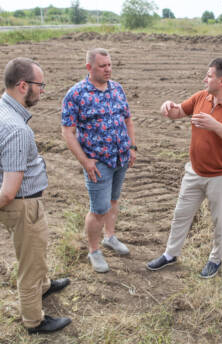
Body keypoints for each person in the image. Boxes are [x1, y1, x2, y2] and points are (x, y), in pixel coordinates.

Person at [146, 57, 222, 279]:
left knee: (219, 221)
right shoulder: (201, 97)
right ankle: (170, 255)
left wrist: (215, 126)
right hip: (194, 171)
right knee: (180, 215)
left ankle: (215, 259)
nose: (205, 79)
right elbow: (176, 113)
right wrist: (167, 106)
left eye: (209, 76)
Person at [0, 58, 71, 334]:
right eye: (40, 85)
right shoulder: (16, 129)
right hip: (23, 205)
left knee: (37, 251)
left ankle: (44, 286)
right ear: (22, 86)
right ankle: (34, 320)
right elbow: (8, 192)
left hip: (25, 204)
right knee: (30, 264)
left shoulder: (5, 111)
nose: (43, 90)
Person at [62, 48, 136, 273]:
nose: (108, 69)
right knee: (98, 209)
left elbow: (128, 119)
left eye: (110, 65)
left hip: (120, 157)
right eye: (102, 66)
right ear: (89, 68)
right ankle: (94, 251)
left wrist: (131, 146)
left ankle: (110, 237)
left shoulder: (117, 88)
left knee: (113, 201)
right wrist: (86, 161)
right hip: (98, 162)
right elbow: (67, 133)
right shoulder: (76, 94)